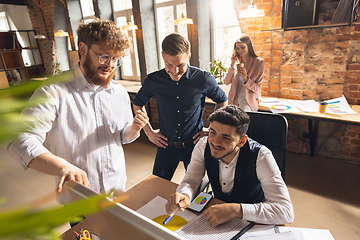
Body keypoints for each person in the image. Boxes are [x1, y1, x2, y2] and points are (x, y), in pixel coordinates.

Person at [7, 18, 149, 203]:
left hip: (116, 189)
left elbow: (121, 136)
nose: (111, 65)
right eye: (104, 57)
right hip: (79, 196)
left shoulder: (119, 92)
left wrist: (134, 129)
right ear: (82, 49)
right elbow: (20, 139)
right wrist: (62, 166)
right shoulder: (54, 90)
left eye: (115, 59)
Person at [166, 105, 294, 226]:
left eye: (226, 137)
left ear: (242, 141)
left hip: (253, 220)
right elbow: (191, 179)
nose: (215, 142)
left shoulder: (261, 156)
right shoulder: (203, 145)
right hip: (216, 217)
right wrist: (185, 194)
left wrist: (235, 209)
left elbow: (286, 212)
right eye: (213, 132)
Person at [133, 33, 228, 181]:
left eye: (180, 65)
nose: (175, 71)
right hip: (166, 146)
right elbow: (137, 104)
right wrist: (149, 132)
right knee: (157, 186)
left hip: (194, 146)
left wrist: (212, 130)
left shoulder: (203, 78)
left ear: (188, 56)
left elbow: (222, 100)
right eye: (169, 64)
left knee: (195, 189)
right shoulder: (153, 80)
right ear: (162, 56)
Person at [224, 35, 264, 111]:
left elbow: (257, 89)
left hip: (247, 102)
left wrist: (246, 78)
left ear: (248, 46)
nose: (240, 50)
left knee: (243, 119)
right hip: (233, 101)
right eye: (238, 48)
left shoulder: (259, 63)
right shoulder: (236, 62)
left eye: (243, 47)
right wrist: (232, 65)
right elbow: (226, 82)